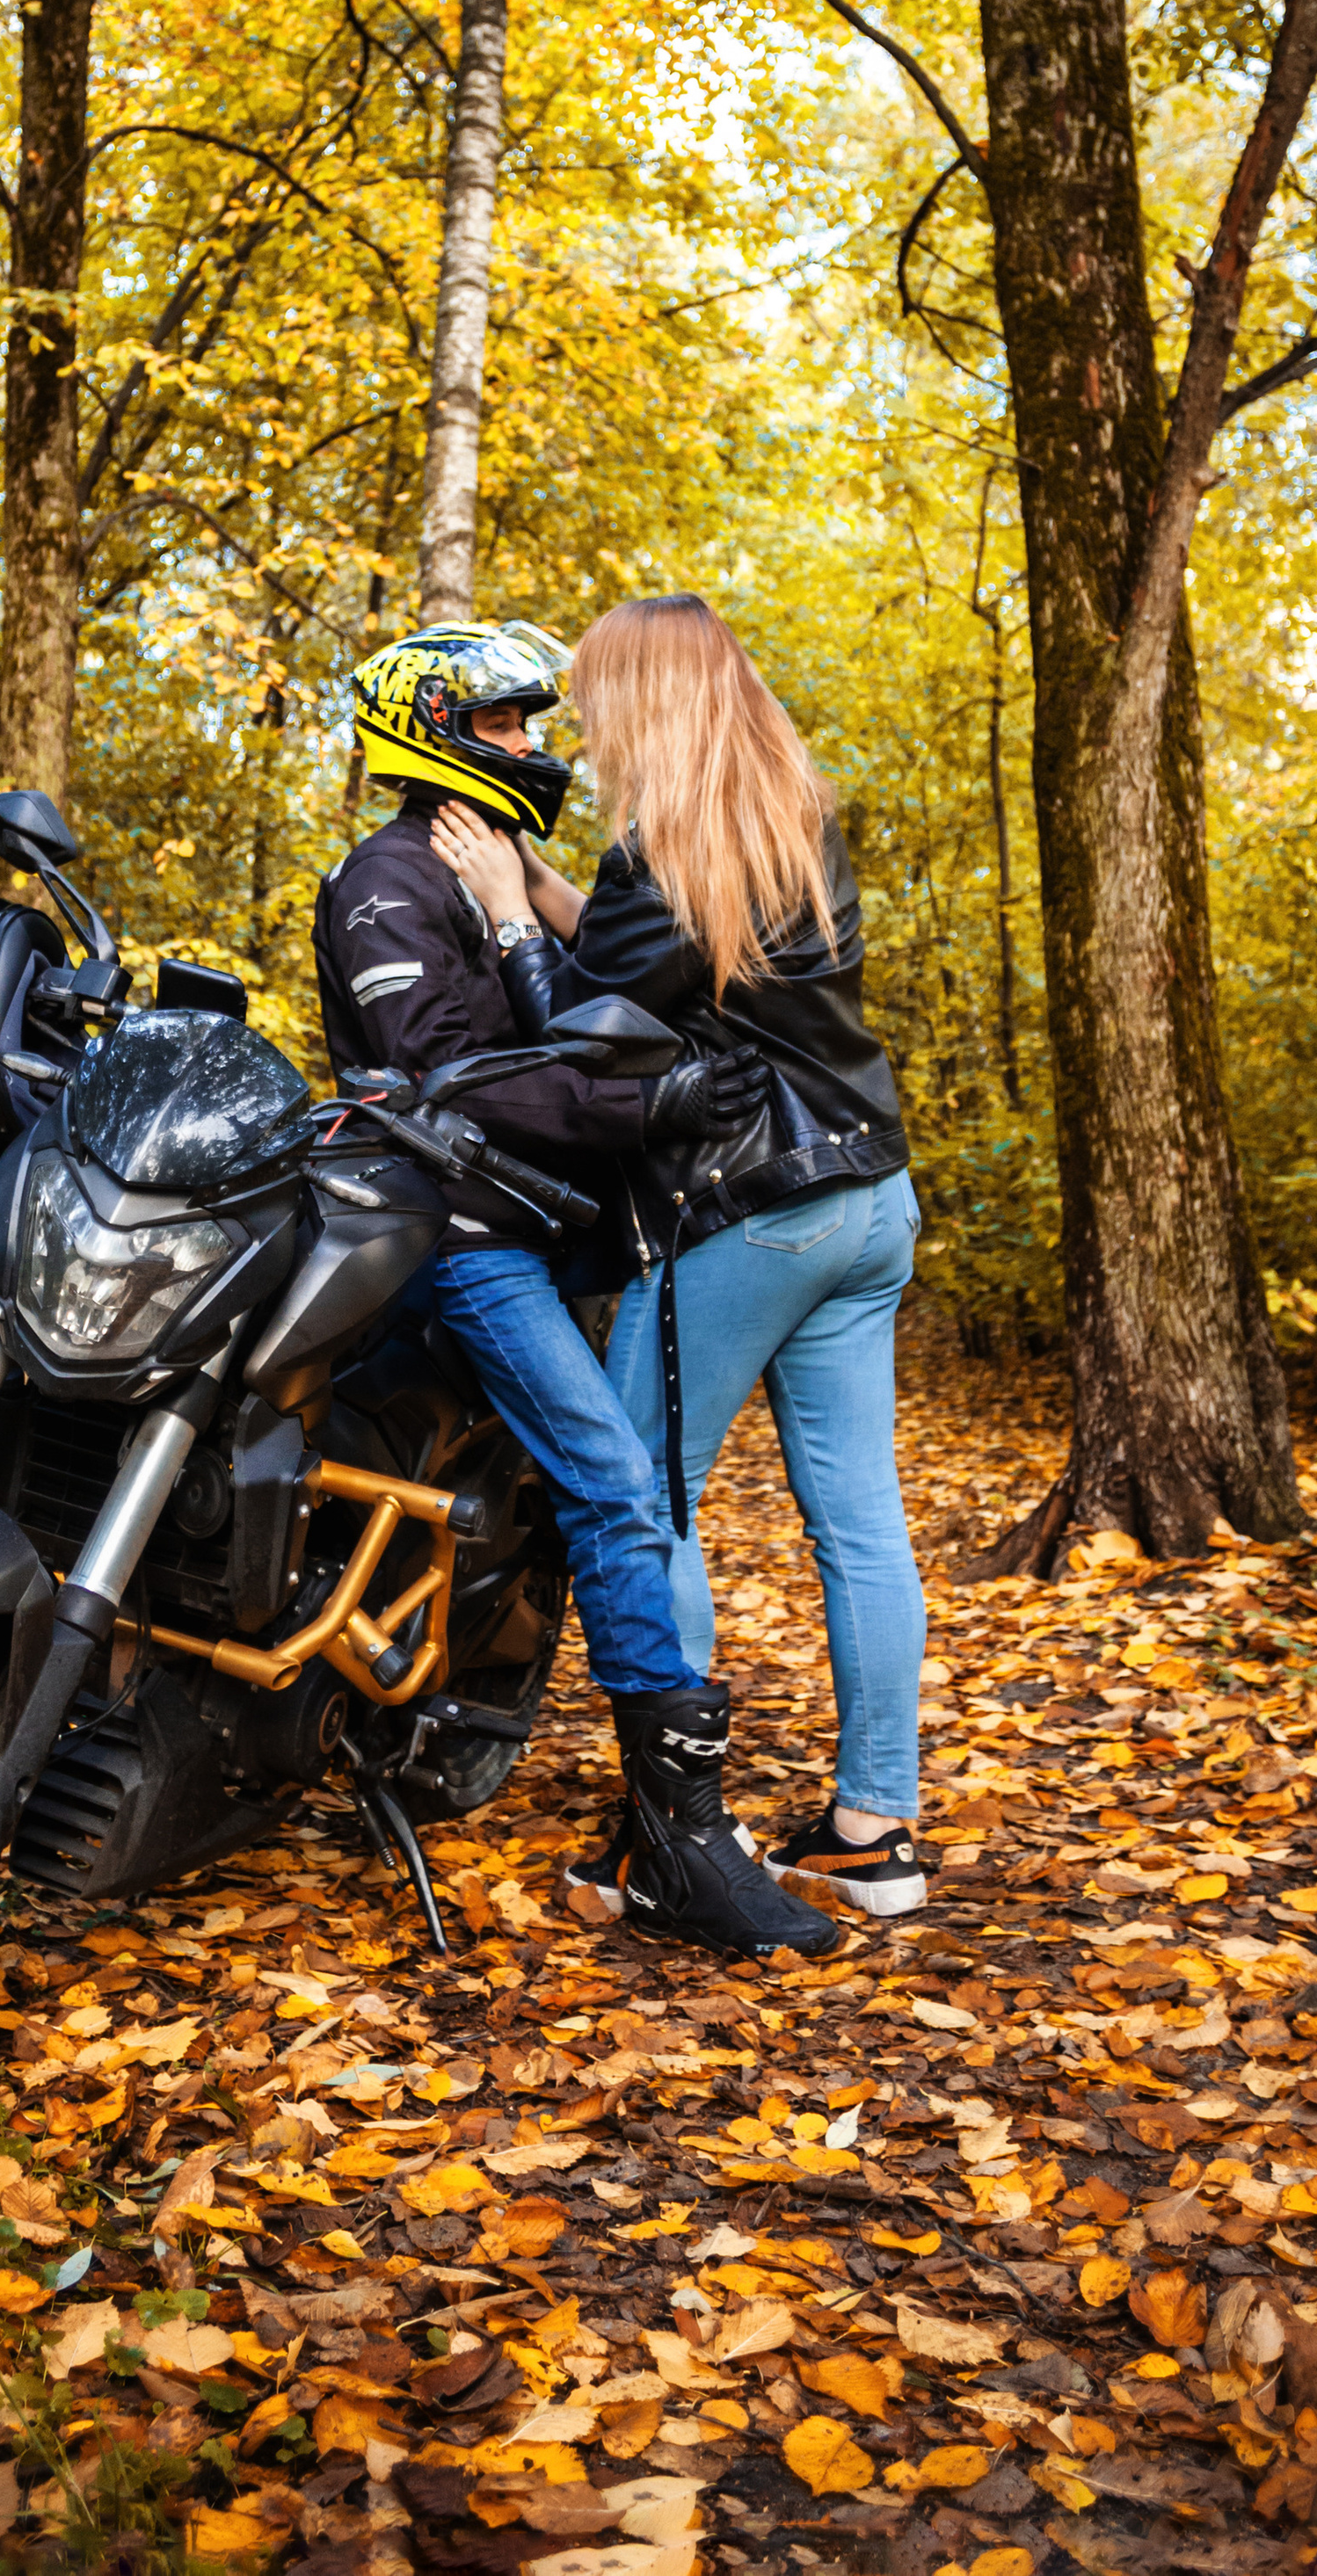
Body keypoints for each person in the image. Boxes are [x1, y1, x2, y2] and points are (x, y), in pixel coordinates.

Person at [313, 617, 837, 1962]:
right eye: (506, 725)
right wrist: (647, 1102)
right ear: (429, 730)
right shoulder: (386, 882)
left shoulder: (483, 869)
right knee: (614, 1481)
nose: (535, 747)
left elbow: (580, 1011)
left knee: (540, 1497)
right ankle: (680, 1837)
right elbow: (452, 1084)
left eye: (534, 723)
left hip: (538, 1234)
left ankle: (446, 1714)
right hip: (463, 1238)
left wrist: (542, 921)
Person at [427, 594, 928, 1923]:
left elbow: (583, 1035)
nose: (582, 735)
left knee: (643, 1491)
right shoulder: (789, 819)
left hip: (749, 1210)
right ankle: (877, 1830)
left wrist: (511, 919)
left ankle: (670, 1830)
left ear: (648, 701)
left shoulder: (668, 851)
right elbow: (662, 960)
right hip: (868, 1199)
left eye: (597, 706)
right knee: (859, 1521)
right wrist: (545, 884)